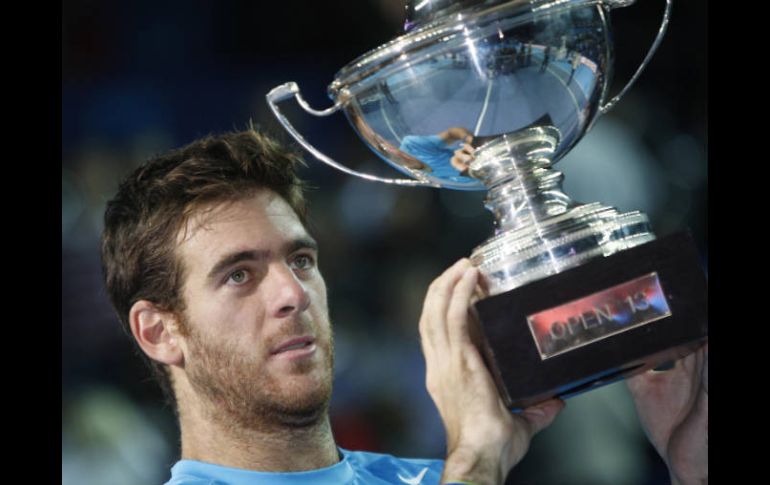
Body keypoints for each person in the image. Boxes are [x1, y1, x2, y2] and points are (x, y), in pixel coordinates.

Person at [100, 127, 707, 485]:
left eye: (301, 260)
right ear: (158, 332)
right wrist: (476, 460)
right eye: (239, 275)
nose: (292, 294)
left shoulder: (425, 478)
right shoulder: (467, 470)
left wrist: (691, 465)